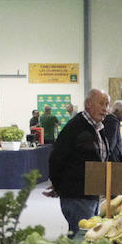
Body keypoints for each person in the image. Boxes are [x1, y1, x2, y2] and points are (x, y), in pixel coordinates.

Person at [47, 87, 110, 235]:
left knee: (90, 237)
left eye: (107, 105)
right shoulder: (75, 127)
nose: (105, 109)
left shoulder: (98, 128)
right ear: (88, 104)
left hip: (91, 194)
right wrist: (59, 187)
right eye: (102, 103)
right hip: (77, 195)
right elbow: (56, 158)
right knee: (82, 239)